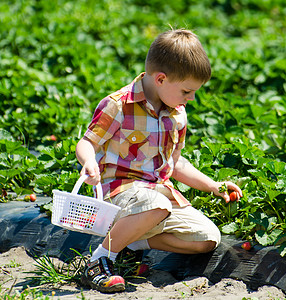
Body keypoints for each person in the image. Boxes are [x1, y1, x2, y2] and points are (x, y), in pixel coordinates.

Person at [76, 28, 242, 293]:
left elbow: (175, 163)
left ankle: (132, 245)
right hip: (118, 195)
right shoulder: (118, 105)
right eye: (187, 91)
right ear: (161, 79)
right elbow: (86, 142)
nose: (191, 98)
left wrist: (213, 185)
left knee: (207, 239)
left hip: (157, 199)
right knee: (156, 203)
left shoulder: (177, 115)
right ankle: (99, 260)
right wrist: (89, 163)